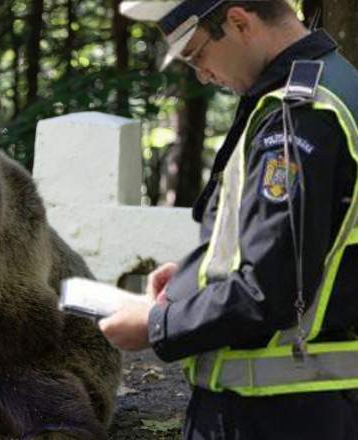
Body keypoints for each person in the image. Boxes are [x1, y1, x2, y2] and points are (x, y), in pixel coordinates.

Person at [99, 0, 358, 438]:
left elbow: (269, 289)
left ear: (238, 21)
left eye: (197, 53)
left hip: (274, 413)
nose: (201, 74)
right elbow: (312, 247)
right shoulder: (339, 84)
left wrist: (155, 326)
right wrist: (194, 278)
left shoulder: (298, 116)